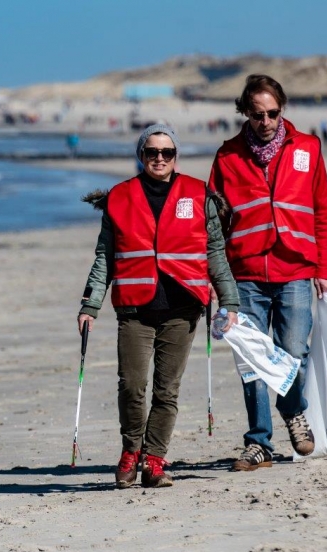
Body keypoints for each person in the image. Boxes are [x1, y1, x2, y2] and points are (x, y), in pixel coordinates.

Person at [77, 124, 240, 489]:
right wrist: (90, 305)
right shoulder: (119, 197)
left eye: (167, 152)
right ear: (142, 156)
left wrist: (229, 300)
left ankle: (153, 459)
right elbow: (105, 257)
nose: (160, 158)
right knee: (131, 386)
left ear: (175, 156)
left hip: (183, 307)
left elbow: (215, 252)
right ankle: (131, 451)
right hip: (135, 308)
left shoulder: (199, 194)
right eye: (152, 152)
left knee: (167, 390)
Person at [208, 74, 327, 471]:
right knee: (250, 360)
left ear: (282, 110)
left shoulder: (308, 148)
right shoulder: (227, 156)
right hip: (245, 274)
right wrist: (214, 280)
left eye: (272, 113)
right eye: (257, 114)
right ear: (245, 113)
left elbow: (323, 211)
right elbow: (213, 226)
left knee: (293, 353)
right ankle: (258, 443)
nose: (265, 121)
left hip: (295, 268)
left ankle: (293, 411)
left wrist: (325, 268)